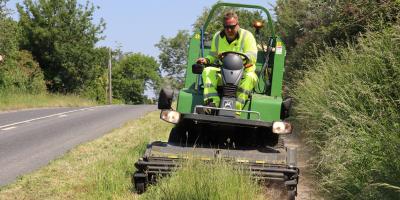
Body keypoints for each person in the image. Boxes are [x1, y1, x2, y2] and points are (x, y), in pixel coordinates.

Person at [197, 11, 258, 113]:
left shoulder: (247, 36)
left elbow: (252, 56)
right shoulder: (217, 37)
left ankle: (236, 111)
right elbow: (212, 55)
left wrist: (239, 58)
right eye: (226, 27)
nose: (229, 30)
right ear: (223, 26)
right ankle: (212, 105)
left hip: (243, 73)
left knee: (250, 77)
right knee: (208, 71)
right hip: (223, 73)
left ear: (237, 25)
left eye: (232, 27)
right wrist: (206, 60)